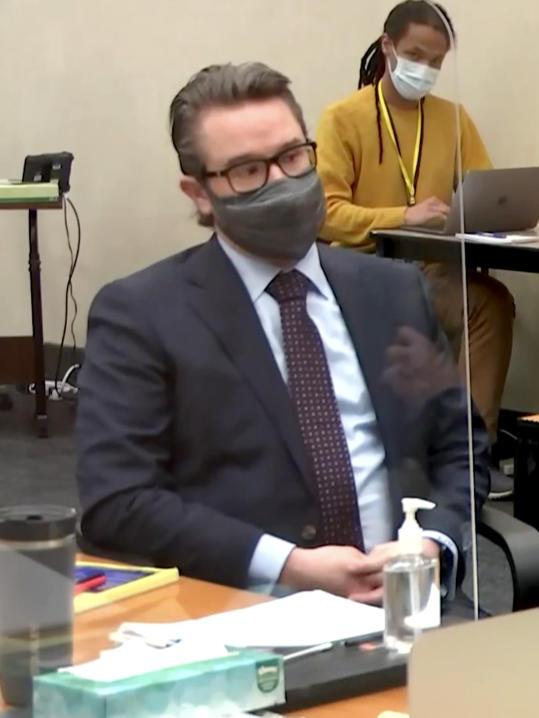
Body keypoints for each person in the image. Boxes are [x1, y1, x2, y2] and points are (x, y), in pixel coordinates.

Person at [75, 62, 488, 603]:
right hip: (243, 621)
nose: (282, 182)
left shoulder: (392, 291)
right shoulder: (142, 314)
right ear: (200, 193)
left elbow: (461, 447)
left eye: (293, 157)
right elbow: (117, 501)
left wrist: (432, 544)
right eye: (248, 170)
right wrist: (291, 566)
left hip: (406, 606)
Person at [315, 0, 515, 454]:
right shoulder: (343, 118)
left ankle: (472, 451)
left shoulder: (452, 118)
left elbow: (481, 191)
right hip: (361, 274)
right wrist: (402, 216)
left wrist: (494, 215)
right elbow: (327, 214)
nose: (425, 69)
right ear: (388, 46)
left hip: (428, 271)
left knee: (490, 303)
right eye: (416, 56)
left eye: (436, 61)